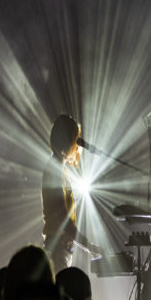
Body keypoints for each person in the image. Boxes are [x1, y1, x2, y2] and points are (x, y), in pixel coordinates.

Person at [41, 114, 100, 273]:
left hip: (62, 248)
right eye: (75, 139)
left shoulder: (61, 170)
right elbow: (63, 220)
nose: (77, 144)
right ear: (67, 141)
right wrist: (89, 246)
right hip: (58, 250)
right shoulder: (55, 172)